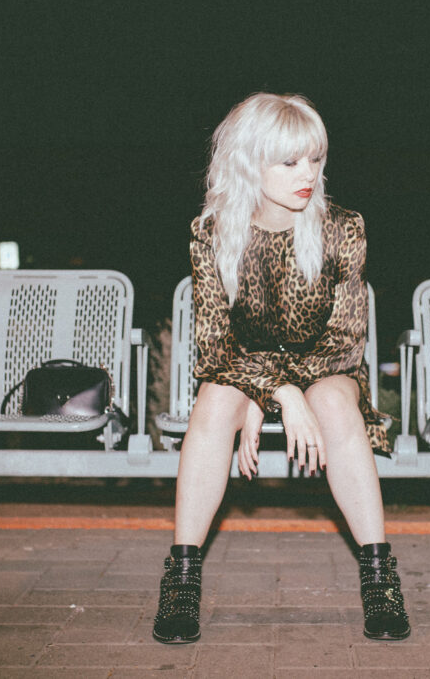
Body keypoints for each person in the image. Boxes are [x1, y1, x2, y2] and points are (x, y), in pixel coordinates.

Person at [152, 92, 410, 644]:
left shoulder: (343, 228)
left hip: (324, 366)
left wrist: (276, 390)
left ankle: (379, 577)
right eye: (290, 161)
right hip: (244, 370)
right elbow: (214, 348)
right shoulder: (213, 232)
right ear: (248, 162)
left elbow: (344, 343)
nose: (308, 175)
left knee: (336, 400)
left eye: (315, 159)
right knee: (214, 399)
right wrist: (278, 395)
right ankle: (182, 579)